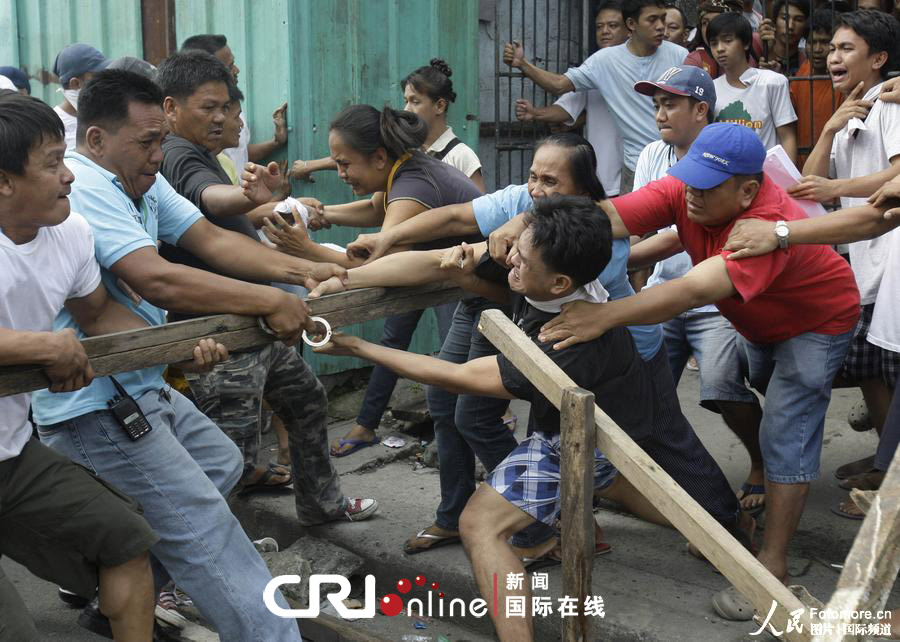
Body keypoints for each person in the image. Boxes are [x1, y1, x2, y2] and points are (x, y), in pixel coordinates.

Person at [312, 196, 738, 641]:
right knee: (610, 481)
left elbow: (457, 376)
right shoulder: (542, 264)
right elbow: (432, 263)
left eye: (521, 257)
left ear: (558, 283)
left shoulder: (566, 341)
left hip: (591, 436)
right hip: (612, 420)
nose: (509, 256)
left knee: (481, 524)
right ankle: (718, 528)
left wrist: (357, 347)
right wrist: (345, 279)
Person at [28, 68, 353, 641]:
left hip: (139, 381)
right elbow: (158, 280)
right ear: (98, 139)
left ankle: (121, 599)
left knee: (220, 462)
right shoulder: (85, 189)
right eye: (146, 142)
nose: (158, 154)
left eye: (160, 139)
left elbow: (210, 239)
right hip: (96, 404)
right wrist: (269, 301)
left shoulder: (141, 182)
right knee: (205, 530)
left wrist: (305, 269)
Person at [330, 135, 747, 557]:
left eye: (551, 181)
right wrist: (366, 261)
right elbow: (454, 233)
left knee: (660, 446)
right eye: (533, 176)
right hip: (554, 350)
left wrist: (510, 239)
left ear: (584, 194)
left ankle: (724, 523)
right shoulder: (527, 214)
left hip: (624, 356)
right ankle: (556, 519)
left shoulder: (589, 241)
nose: (537, 190)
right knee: (546, 443)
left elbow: (492, 299)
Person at [538, 122, 859, 620]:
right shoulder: (688, 188)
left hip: (818, 320)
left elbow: (689, 291)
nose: (690, 195)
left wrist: (604, 314)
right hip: (755, 320)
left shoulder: (762, 225)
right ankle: (758, 475)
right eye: (688, 180)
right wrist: (529, 225)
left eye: (706, 188)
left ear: (747, 191)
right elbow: (610, 217)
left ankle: (771, 569)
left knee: (788, 426)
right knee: (727, 390)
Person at [0, 89, 158, 642]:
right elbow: (52, 343)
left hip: (12, 457)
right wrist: (41, 347)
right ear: (4, 180)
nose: (69, 176)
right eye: (51, 164)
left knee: (126, 539)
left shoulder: (69, 233)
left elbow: (98, 314)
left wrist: (178, 348)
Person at [628, 65, 767, 514]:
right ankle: (646, 480)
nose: (660, 114)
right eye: (656, 105)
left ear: (700, 109)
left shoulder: (731, 156)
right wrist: (632, 279)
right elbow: (639, 224)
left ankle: (761, 463)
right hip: (662, 290)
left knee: (724, 387)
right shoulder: (652, 154)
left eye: (670, 104)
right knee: (643, 392)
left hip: (715, 299)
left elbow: (678, 231)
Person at [721, 174, 900, 521]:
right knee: (871, 370)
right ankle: (886, 466)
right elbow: (805, 182)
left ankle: (888, 487)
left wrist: (779, 233)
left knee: (797, 409)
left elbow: (877, 213)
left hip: (860, 274)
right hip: (868, 269)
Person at [791, 8, 900, 492]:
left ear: (878, 58)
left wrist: (833, 187)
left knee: (890, 367)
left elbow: (896, 175)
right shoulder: (851, 111)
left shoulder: (891, 105)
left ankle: (890, 469)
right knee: (871, 368)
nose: (833, 57)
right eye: (831, 48)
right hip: (863, 258)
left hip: (890, 251)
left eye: (846, 49)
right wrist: (831, 128)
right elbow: (807, 182)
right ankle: (885, 457)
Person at [503, 0, 689, 193]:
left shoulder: (680, 56)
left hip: (676, 162)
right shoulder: (604, 61)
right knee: (631, 222)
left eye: (662, 19)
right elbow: (559, 85)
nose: (661, 27)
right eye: (652, 20)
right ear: (632, 24)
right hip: (635, 168)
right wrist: (523, 64)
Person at [291, 59, 485, 191]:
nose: (406, 109)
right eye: (405, 101)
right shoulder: (408, 147)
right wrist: (311, 165)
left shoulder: (461, 156)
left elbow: (478, 212)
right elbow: (357, 156)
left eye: (415, 102)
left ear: (439, 105)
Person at [514, 0, 629, 197]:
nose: (605, 31)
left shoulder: (641, 65)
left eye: (613, 25)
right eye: (600, 27)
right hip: (604, 175)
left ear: (630, 29)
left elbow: (559, 85)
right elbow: (567, 106)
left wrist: (524, 65)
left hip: (635, 169)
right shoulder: (594, 66)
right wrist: (536, 113)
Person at [181, 34, 288, 170]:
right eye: (230, 67)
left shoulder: (233, 107)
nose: (236, 70)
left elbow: (240, 152)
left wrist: (276, 143)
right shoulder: (201, 124)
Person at [709, 12, 799, 163]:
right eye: (713, 43)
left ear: (745, 43)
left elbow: (787, 137)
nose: (719, 49)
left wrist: (787, 181)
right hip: (725, 180)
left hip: (767, 177)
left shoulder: (772, 82)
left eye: (728, 41)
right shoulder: (711, 89)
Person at [789, 9, 842, 165]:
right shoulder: (802, 72)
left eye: (825, 42)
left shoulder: (844, 76)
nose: (817, 49)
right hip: (802, 164)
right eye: (812, 42)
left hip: (835, 163)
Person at [52, 43, 109, 149]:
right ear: (76, 83)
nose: (103, 82)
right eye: (96, 77)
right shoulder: (54, 126)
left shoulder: (107, 114)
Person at [758, 0, 809, 75]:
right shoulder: (757, 47)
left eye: (798, 20)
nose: (790, 26)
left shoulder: (807, 60)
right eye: (785, 18)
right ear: (775, 22)